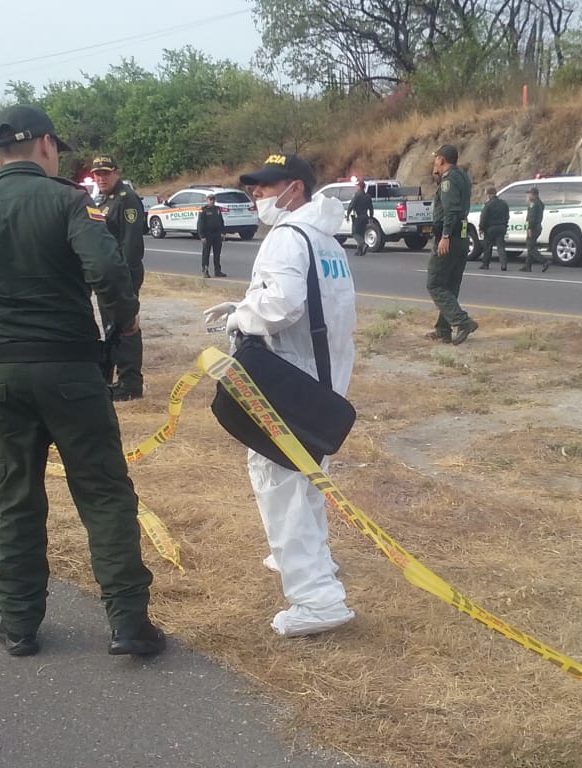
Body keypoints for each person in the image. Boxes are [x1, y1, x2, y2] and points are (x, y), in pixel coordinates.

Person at [0, 105, 164, 658]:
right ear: (44, 145)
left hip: (1, 380)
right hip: (72, 375)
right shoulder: (70, 201)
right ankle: (129, 624)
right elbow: (108, 272)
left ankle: (18, 624)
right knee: (104, 494)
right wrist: (124, 319)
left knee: (14, 500)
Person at [202, 152, 356, 638]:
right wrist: (247, 302)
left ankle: (315, 598)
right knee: (307, 478)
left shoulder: (286, 237)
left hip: (286, 378)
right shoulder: (325, 239)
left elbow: (283, 305)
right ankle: (315, 561)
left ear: (295, 188)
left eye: (265, 188)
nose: (258, 196)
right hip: (322, 378)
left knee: (278, 481)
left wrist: (240, 317)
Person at [90, 153, 148, 401]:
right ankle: (117, 379)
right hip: (109, 277)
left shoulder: (127, 200)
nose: (101, 178)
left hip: (123, 276)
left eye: (106, 173)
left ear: (117, 173)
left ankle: (131, 383)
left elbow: (131, 245)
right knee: (112, 329)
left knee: (126, 328)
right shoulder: (104, 201)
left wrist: (125, 283)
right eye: (97, 174)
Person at [425, 144, 478, 345]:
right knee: (450, 286)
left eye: (435, 158)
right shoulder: (462, 177)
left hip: (450, 237)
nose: (434, 162)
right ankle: (443, 330)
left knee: (435, 284)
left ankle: (462, 322)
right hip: (462, 236)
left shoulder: (448, 181)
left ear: (441, 159)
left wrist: (444, 236)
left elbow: (451, 210)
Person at [478, 186, 509, 270]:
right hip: (501, 227)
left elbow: (483, 217)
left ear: (490, 194)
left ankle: (486, 264)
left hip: (490, 228)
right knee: (501, 247)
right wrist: (505, 225)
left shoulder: (488, 204)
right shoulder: (504, 203)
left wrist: (481, 228)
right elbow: (507, 216)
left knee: (487, 246)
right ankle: (503, 264)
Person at [196, 193, 226, 278]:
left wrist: (223, 232)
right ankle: (205, 271)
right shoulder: (203, 210)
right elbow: (200, 224)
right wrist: (202, 236)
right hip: (207, 235)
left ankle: (218, 271)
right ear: (207, 200)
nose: (212, 201)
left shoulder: (217, 209)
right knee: (206, 254)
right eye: (210, 199)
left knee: (217, 254)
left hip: (217, 234)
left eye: (213, 199)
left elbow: (221, 221)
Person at [521, 186, 550, 272]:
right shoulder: (540, 203)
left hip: (533, 228)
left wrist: (529, 228)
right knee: (531, 246)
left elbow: (531, 217)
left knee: (531, 248)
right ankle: (527, 266)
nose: (528, 196)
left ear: (533, 194)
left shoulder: (533, 204)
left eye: (529, 194)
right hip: (537, 227)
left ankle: (544, 261)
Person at [348, 179, 374, 257]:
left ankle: (363, 244)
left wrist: (348, 214)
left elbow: (351, 205)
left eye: (357, 186)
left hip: (358, 217)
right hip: (365, 217)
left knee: (355, 233)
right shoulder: (368, 196)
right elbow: (371, 208)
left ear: (359, 187)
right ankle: (359, 251)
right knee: (361, 233)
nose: (357, 187)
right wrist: (371, 218)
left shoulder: (357, 195)